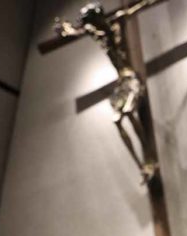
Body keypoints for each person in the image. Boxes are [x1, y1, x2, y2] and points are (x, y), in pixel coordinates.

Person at [55, 1, 158, 183]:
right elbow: (77, 31)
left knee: (128, 112)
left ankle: (149, 158)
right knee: (117, 120)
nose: (90, 26)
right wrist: (65, 29)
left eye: (91, 21)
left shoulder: (117, 23)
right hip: (122, 83)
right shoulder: (97, 34)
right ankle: (141, 166)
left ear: (98, 18)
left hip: (131, 78)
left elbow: (138, 7)